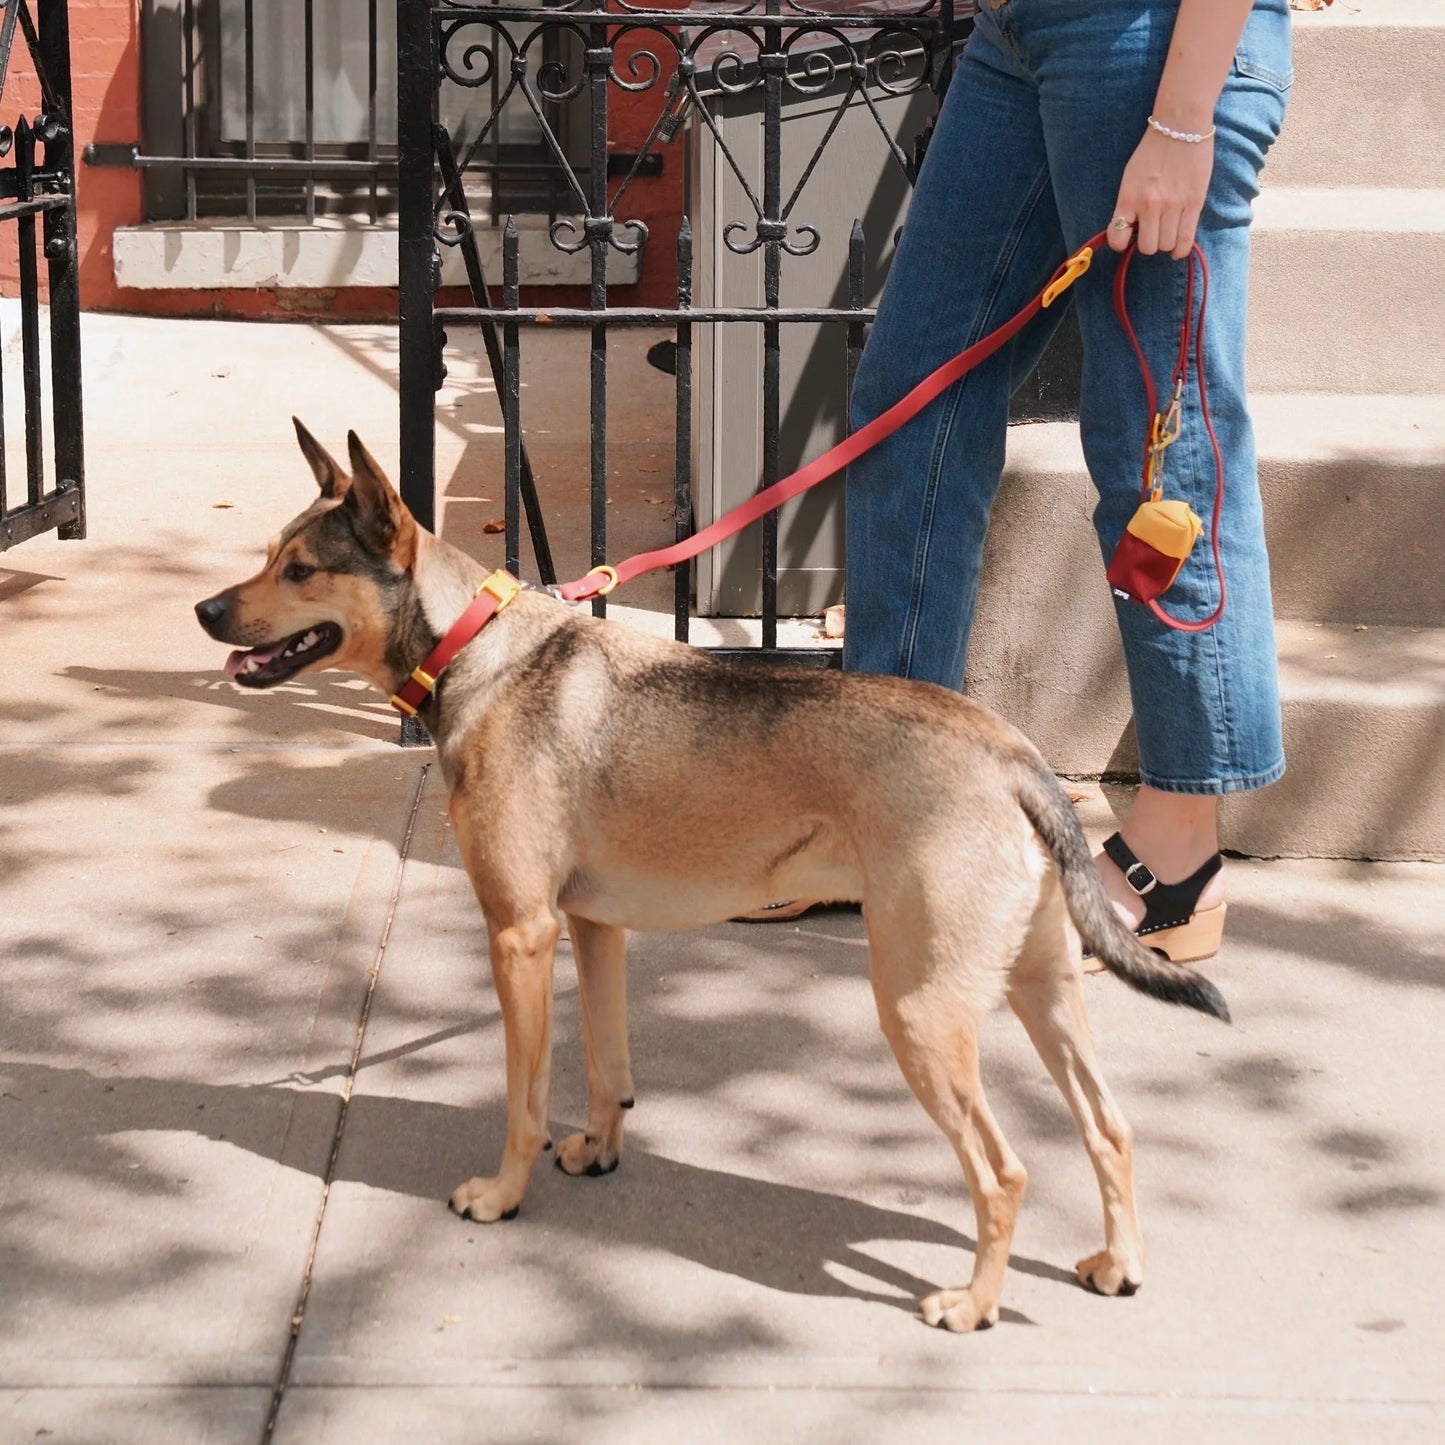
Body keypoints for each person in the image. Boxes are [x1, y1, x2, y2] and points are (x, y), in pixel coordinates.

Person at [832, 0, 1293, 961]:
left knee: (1161, 449)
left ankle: (1178, 851)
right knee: (910, 398)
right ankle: (890, 800)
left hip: (1150, 42)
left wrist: (1180, 119)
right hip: (1018, 32)